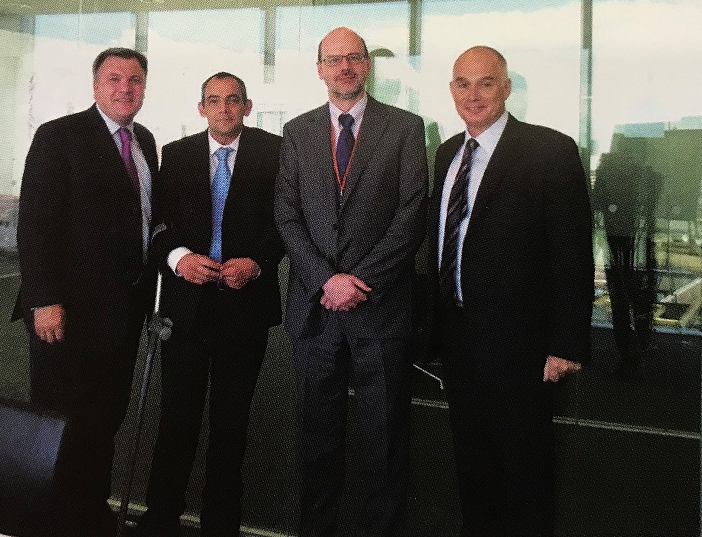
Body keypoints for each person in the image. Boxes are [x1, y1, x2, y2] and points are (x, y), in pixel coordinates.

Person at [426, 45, 593, 536]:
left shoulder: (549, 151)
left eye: (485, 83)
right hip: (459, 340)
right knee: (473, 471)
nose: (473, 95)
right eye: (462, 84)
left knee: (526, 476)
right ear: (451, 91)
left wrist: (565, 343)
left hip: (522, 348)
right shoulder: (446, 153)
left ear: (506, 88)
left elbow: (572, 254)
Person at [274, 27, 428, 537]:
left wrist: (358, 279)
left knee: (384, 444)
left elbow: (411, 213)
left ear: (367, 65)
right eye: (334, 60)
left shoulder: (406, 128)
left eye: (354, 58)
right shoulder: (296, 133)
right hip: (316, 312)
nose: (345, 68)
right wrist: (325, 280)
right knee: (316, 443)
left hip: (379, 310)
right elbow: (287, 215)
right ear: (319, 68)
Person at [12, 47, 158, 537]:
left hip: (122, 317)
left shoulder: (146, 142)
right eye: (114, 78)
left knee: (103, 425)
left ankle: (90, 518)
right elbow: (35, 224)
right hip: (66, 315)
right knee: (61, 427)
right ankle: (51, 523)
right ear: (95, 85)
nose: (125, 88)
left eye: (135, 79)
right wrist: (43, 298)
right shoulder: (60, 136)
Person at [135, 72, 283, 537]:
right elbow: (157, 225)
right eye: (214, 101)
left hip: (245, 309)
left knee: (230, 427)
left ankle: (221, 527)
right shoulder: (176, 156)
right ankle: (160, 521)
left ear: (247, 105)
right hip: (187, 309)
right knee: (176, 422)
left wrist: (258, 263)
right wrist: (179, 260)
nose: (224, 109)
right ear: (201, 108)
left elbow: (288, 222)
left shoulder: (274, 153)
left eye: (233, 101)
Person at [591, 147, 662, 377]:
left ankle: (628, 349)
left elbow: (597, 204)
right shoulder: (644, 174)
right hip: (630, 241)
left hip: (620, 240)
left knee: (623, 296)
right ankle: (637, 345)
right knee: (636, 296)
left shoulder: (612, 172)